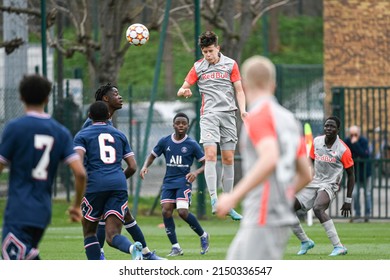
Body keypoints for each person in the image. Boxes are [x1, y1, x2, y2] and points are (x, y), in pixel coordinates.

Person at [215, 56, 312, 260]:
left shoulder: (259, 115)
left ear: (245, 85)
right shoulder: (288, 119)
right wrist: (283, 195)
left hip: (263, 215)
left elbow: (269, 158)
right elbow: (306, 173)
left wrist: (233, 196)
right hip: (270, 214)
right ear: (273, 84)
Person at [0, 74, 86, 260]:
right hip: (42, 211)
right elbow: (80, 173)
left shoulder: (14, 128)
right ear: (48, 98)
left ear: (21, 97)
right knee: (26, 255)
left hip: (18, 210)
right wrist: (76, 206)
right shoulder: (60, 132)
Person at [81, 84, 164, 260]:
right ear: (105, 99)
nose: (120, 97)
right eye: (116, 94)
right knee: (116, 219)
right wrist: (115, 176)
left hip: (99, 182)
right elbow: (88, 155)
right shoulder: (93, 124)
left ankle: (142, 254)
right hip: (108, 181)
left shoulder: (107, 122)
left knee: (116, 218)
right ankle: (144, 254)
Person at [177, 31, 246, 220]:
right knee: (209, 155)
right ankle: (215, 199)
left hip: (229, 116)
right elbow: (182, 88)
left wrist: (243, 110)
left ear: (218, 48)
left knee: (228, 159)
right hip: (208, 116)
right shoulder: (198, 67)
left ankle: (228, 202)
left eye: (210, 51)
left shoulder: (230, 64)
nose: (208, 55)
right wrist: (185, 91)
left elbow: (239, 90)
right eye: (205, 52)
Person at [75, 101, 144, 260]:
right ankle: (132, 247)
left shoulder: (82, 135)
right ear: (108, 116)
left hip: (95, 185)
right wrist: (117, 178)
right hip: (118, 185)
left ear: (89, 116)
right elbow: (133, 166)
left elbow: (78, 165)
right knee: (113, 235)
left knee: (89, 231)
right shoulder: (119, 134)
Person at [140, 112, 210, 256]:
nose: (180, 126)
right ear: (173, 125)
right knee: (166, 211)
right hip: (168, 182)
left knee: (183, 212)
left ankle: (203, 235)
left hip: (183, 182)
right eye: (178, 123)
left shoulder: (191, 144)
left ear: (187, 126)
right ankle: (176, 247)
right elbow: (152, 155)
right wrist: (145, 166)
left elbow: (206, 163)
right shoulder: (165, 141)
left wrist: (196, 173)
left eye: (184, 123)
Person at [292, 116, 355, 256]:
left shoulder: (344, 150)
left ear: (338, 130)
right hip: (314, 182)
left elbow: (351, 175)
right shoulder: (317, 141)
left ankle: (339, 246)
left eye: (332, 126)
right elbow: (310, 162)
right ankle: (305, 241)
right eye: (326, 126)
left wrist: (348, 200)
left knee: (318, 208)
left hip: (330, 184)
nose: (328, 128)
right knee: (287, 206)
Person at [344, 125, 372, 222]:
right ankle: (357, 214)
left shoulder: (363, 141)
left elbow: (365, 155)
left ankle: (367, 214)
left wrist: (355, 144)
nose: (353, 137)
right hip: (354, 173)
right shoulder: (347, 141)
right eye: (351, 134)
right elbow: (348, 155)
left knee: (367, 194)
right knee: (355, 194)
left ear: (359, 133)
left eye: (355, 134)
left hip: (365, 173)